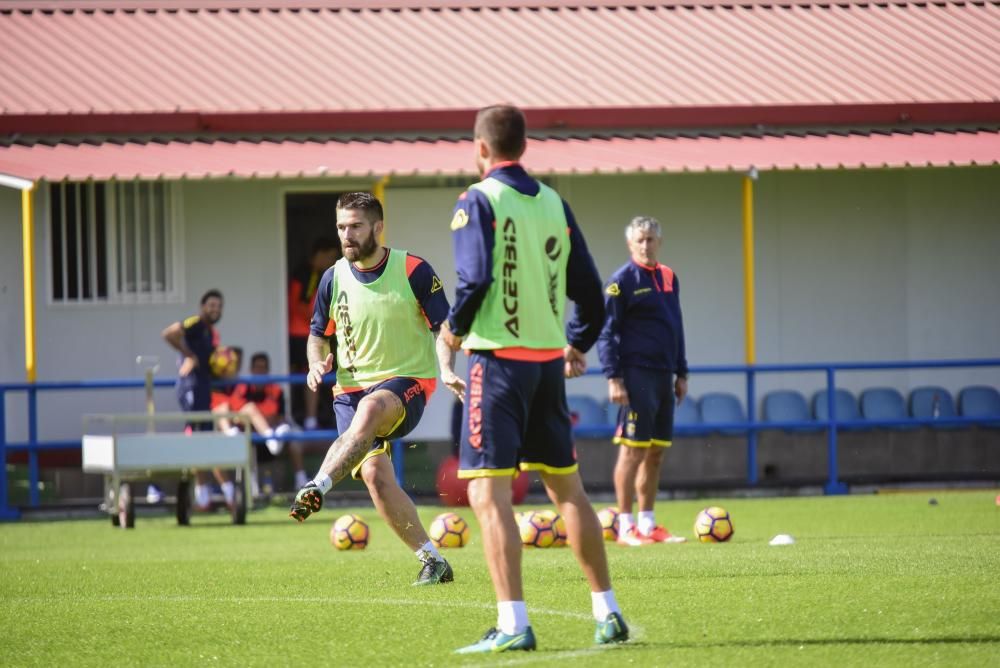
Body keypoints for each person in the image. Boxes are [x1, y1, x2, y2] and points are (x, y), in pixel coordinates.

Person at [439, 104, 629, 653]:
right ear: (522, 147)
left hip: (497, 366)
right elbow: (592, 293)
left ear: (480, 149)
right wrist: (577, 343)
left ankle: (513, 624)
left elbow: (472, 281)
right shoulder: (554, 203)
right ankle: (607, 612)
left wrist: (450, 333)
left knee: (487, 494)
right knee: (568, 489)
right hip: (547, 366)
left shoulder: (477, 200)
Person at [287, 192, 462, 587]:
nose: (346, 235)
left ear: (378, 227)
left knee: (370, 411)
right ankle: (433, 561)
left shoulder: (413, 269)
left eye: (355, 226)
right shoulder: (332, 278)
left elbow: (443, 328)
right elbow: (318, 336)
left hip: (407, 382)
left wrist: (448, 368)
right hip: (349, 390)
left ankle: (318, 484)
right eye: (341, 227)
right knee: (377, 479)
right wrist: (317, 361)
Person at [598, 216, 690, 546]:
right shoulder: (620, 281)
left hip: (665, 376)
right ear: (630, 244)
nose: (645, 244)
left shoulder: (668, 277)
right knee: (632, 452)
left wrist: (682, 372)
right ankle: (625, 526)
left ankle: (648, 524)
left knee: (656, 453)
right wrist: (614, 377)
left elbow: (675, 327)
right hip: (635, 376)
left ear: (659, 242)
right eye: (640, 239)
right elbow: (607, 334)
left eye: (650, 239)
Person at [161, 289, 235, 511]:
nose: (215, 309)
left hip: (203, 387)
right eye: (211, 305)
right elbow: (169, 333)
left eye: (219, 306)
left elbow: (210, 361)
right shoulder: (195, 323)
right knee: (198, 439)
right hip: (190, 385)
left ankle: (209, 496)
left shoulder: (211, 332)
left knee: (203, 439)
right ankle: (221, 493)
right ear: (203, 307)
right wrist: (189, 355)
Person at [288, 237, 341, 431]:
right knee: (311, 374)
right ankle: (309, 420)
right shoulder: (309, 274)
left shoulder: (314, 273)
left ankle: (310, 418)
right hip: (302, 336)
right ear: (319, 254)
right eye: (330, 257)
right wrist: (321, 320)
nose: (331, 262)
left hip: (304, 335)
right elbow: (297, 305)